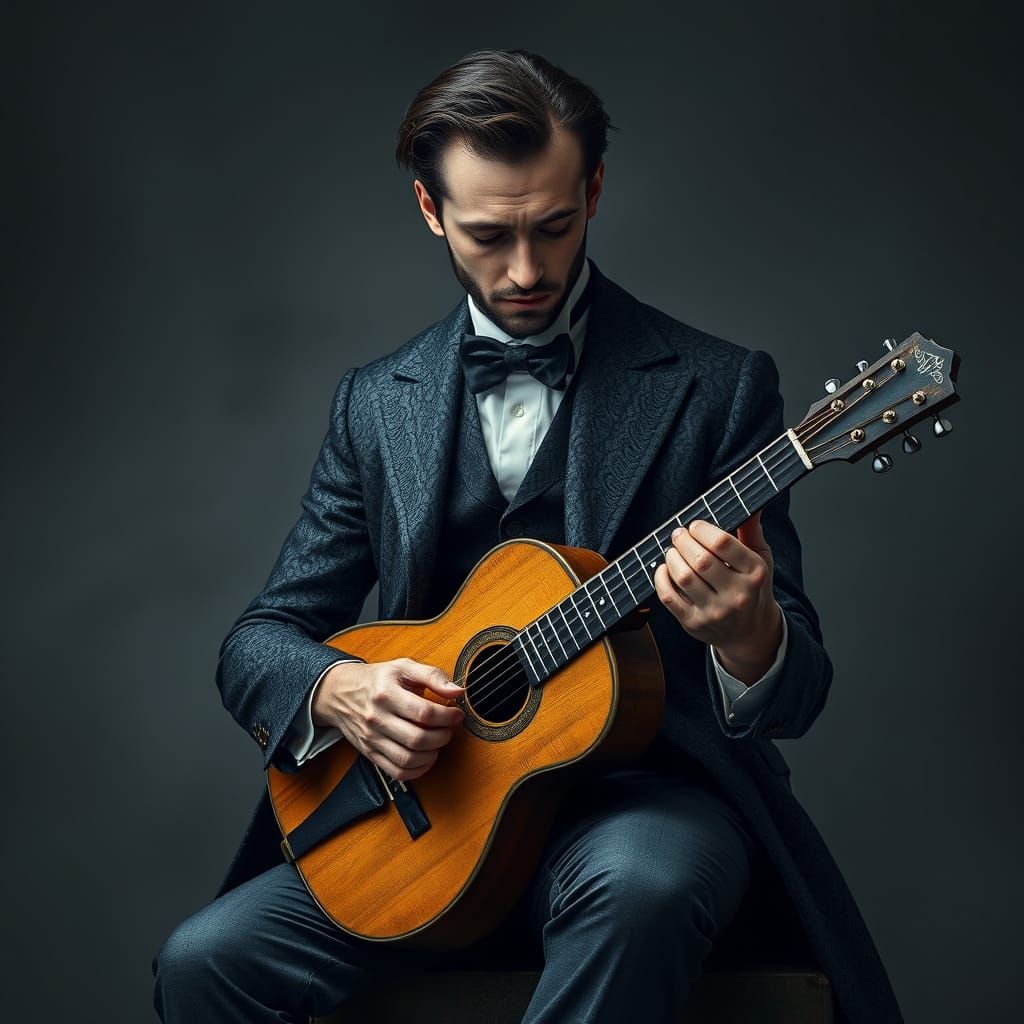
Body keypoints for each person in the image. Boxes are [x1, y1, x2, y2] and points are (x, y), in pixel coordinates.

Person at [152, 48, 903, 1023]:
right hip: (429, 818)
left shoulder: (718, 388)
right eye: (486, 234)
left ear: (592, 189)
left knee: (642, 887)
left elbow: (793, 688)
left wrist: (745, 631)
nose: (524, 270)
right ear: (430, 210)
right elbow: (261, 639)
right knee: (203, 960)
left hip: (642, 804)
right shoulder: (377, 406)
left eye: (553, 227)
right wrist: (338, 688)